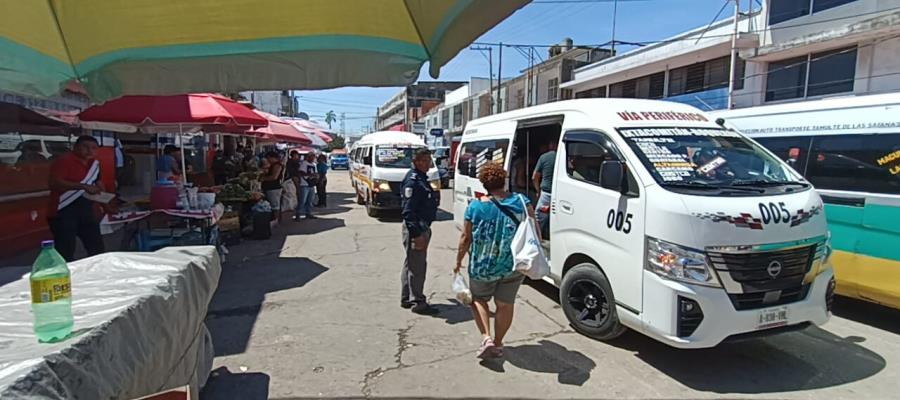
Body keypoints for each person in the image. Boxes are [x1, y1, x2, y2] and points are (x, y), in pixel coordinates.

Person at [455, 162, 538, 359]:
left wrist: (458, 261)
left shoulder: (475, 207)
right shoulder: (522, 201)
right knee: (505, 305)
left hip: (482, 267)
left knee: (479, 300)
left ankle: (487, 338)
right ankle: (499, 344)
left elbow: (466, 238)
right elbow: (535, 230)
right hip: (513, 266)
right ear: (504, 180)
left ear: (483, 183)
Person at [47, 136, 106, 261]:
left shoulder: (94, 164)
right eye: (85, 147)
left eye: (94, 148)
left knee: (96, 247)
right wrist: (82, 186)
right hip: (63, 210)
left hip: (85, 210)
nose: (90, 151)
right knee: (65, 249)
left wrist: (102, 191)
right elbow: (54, 183)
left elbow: (97, 181)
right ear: (76, 147)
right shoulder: (64, 161)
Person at [400, 148, 440, 315]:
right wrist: (417, 235)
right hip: (416, 228)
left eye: (428, 160)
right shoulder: (413, 180)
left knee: (411, 263)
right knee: (417, 267)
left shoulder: (422, 178)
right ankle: (418, 302)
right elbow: (408, 212)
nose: (427, 163)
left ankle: (407, 298)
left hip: (422, 226)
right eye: (423, 160)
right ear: (415, 162)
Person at [532, 139, 557, 236]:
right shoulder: (564, 157)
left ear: (550, 145)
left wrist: (537, 190)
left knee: (539, 217)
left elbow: (534, 177)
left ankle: (538, 237)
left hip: (546, 195)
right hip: (562, 194)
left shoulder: (544, 157)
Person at [260, 151, 284, 219]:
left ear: (271, 157)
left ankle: (276, 220)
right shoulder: (273, 165)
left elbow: (274, 177)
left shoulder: (277, 165)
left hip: (273, 188)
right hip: (270, 187)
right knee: (274, 205)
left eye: (268, 158)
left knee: (275, 206)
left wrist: (263, 178)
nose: (267, 160)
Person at [294, 153, 318, 220]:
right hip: (304, 184)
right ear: (308, 157)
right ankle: (298, 214)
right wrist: (309, 175)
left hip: (311, 184)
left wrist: (315, 176)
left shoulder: (314, 165)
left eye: (314, 157)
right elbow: (300, 172)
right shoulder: (304, 163)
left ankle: (308, 213)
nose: (313, 159)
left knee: (310, 201)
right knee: (302, 201)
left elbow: (315, 173)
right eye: (312, 157)